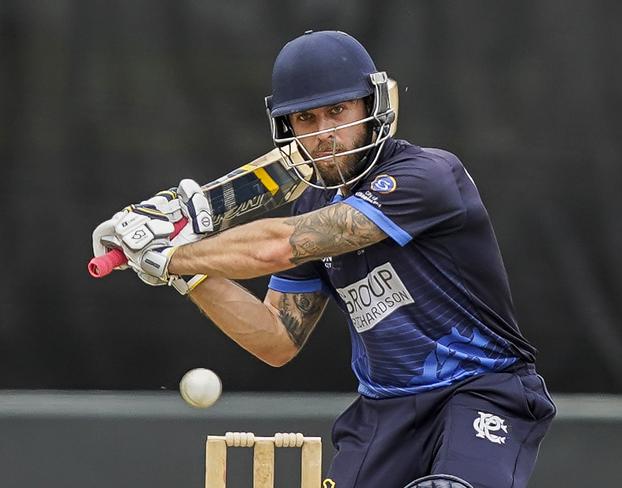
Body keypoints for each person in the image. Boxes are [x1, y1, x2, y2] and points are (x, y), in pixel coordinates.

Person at [92, 30, 556, 488]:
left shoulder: (428, 176)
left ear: (371, 107)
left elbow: (279, 245)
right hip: (384, 413)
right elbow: (275, 339)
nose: (325, 135)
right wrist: (184, 272)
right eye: (306, 119)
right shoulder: (311, 203)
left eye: (338, 111)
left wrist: (174, 253)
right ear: (286, 128)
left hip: (480, 390)